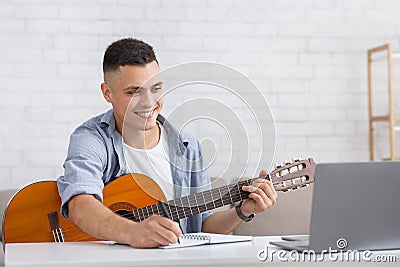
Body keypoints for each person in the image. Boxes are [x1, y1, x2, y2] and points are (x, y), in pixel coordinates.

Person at [57, 38, 277, 248]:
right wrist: (134, 232)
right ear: (107, 93)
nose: (149, 103)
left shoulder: (188, 147)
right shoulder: (91, 138)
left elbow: (201, 229)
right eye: (134, 92)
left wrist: (242, 210)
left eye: (156, 88)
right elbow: (80, 204)